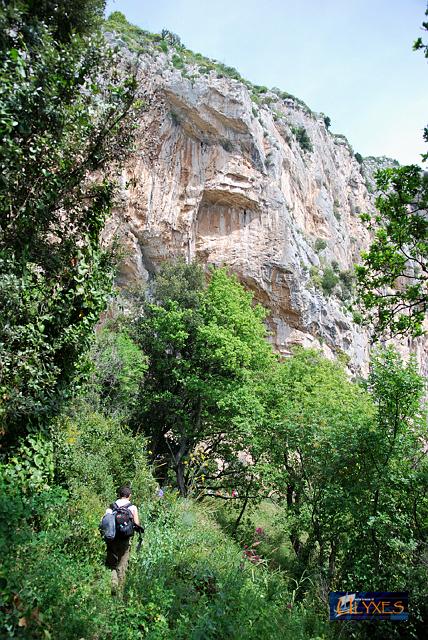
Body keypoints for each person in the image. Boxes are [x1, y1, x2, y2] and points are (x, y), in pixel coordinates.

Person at [104, 485, 140, 594]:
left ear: (119, 495)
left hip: (112, 539)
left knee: (112, 565)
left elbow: (105, 523)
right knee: (122, 565)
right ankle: (120, 592)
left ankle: (113, 586)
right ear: (129, 496)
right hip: (125, 540)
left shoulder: (111, 507)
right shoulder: (132, 507)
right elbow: (137, 523)